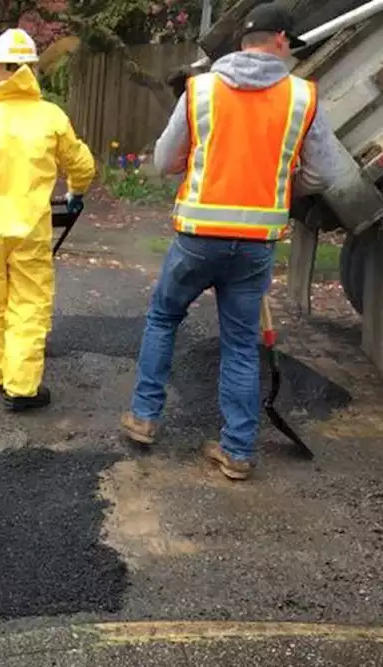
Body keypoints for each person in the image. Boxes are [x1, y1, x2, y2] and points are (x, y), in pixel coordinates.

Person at [120, 2, 342, 479]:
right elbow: (324, 174)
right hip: (255, 244)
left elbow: (164, 160)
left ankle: (143, 417)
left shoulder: (201, 91)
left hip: (197, 237)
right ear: (280, 40)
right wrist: (283, 182)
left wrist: (193, 162)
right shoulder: (302, 98)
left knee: (163, 317)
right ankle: (237, 451)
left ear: (244, 41)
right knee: (240, 345)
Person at [0, 27, 96, 412]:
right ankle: (22, 387)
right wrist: (76, 193)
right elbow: (81, 165)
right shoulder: (50, 117)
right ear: (32, 69)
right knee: (29, 303)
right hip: (29, 228)